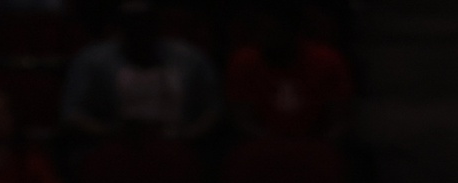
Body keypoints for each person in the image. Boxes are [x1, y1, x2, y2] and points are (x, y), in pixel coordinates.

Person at [61, 1, 220, 139]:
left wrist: (189, 134)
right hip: (114, 147)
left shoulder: (189, 59)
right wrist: (108, 132)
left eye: (145, 22)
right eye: (132, 22)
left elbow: (213, 109)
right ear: (119, 25)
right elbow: (72, 113)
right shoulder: (92, 60)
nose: (139, 30)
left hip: (179, 147)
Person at [226, 2, 353, 139]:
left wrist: (313, 144)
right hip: (261, 145)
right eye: (262, 30)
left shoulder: (327, 61)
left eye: (275, 31)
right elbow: (241, 118)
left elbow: (340, 117)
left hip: (315, 147)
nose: (267, 38)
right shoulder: (244, 62)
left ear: (293, 30)